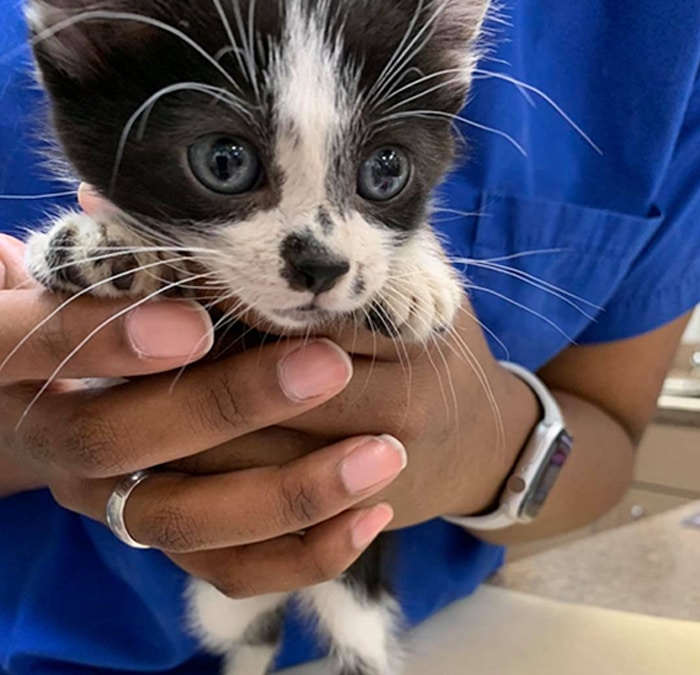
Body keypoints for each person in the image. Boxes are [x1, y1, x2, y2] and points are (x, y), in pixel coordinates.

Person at [1, 1, 699, 673]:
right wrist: (35, 424)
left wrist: (492, 448)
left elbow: (607, 430)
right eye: (225, 163)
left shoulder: (661, 34)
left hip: (454, 632)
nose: (322, 257)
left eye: (381, 173)